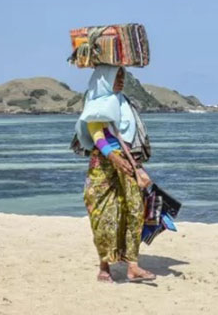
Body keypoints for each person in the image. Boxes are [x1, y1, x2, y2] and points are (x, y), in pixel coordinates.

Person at [75, 65, 155, 283]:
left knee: (134, 208)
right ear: (104, 79)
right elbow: (96, 132)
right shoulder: (96, 102)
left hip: (128, 158)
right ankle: (104, 265)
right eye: (116, 76)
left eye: (122, 76)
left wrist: (129, 161)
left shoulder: (124, 102)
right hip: (104, 160)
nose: (121, 80)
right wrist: (113, 157)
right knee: (102, 212)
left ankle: (133, 265)